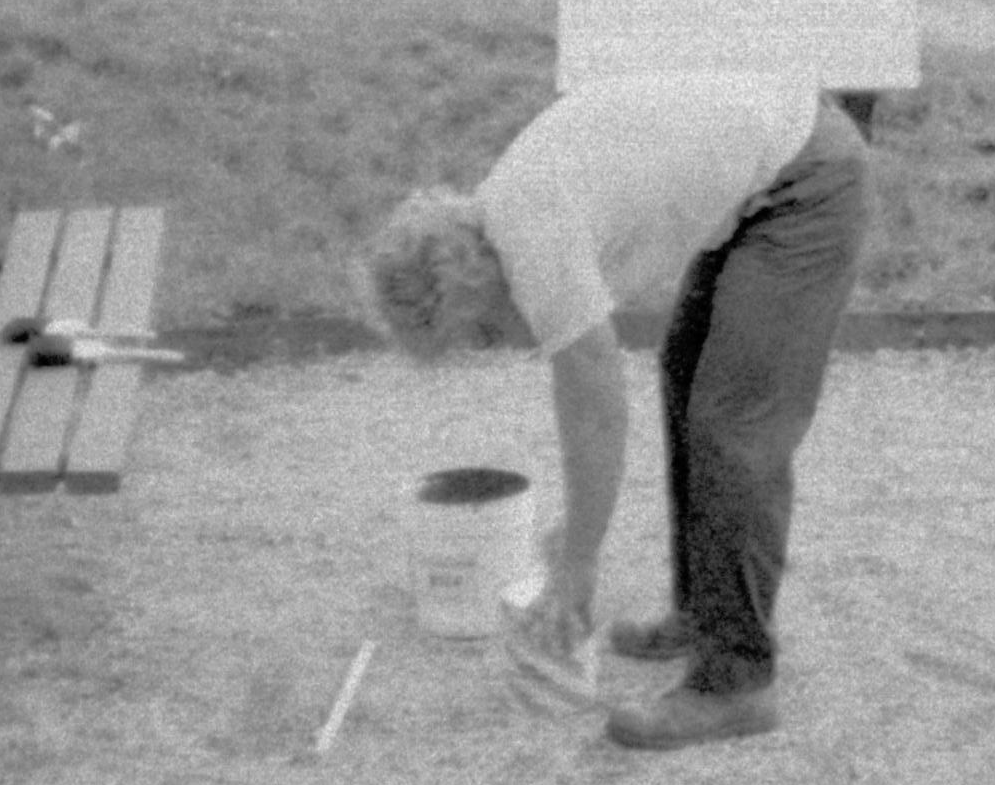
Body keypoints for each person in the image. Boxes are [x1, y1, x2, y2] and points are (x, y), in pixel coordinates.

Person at [355, 72, 870, 750]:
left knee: (733, 423)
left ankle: (737, 682)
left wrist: (577, 564)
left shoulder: (532, 240)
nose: (500, 345)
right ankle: (706, 614)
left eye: (479, 333)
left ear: (469, 286)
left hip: (805, 184)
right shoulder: (504, 216)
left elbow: (598, 412)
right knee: (687, 379)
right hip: (769, 169)